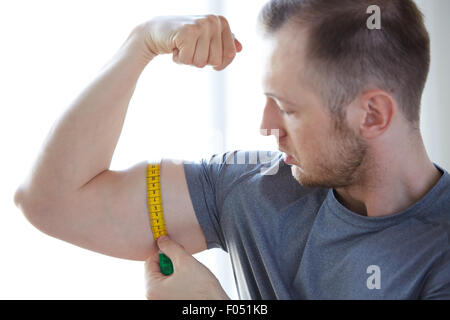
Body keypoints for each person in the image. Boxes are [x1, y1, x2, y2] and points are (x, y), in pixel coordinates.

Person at [14, 0, 450, 300]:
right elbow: (52, 202)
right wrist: (141, 44)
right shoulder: (253, 188)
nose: (265, 127)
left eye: (287, 108)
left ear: (372, 115)